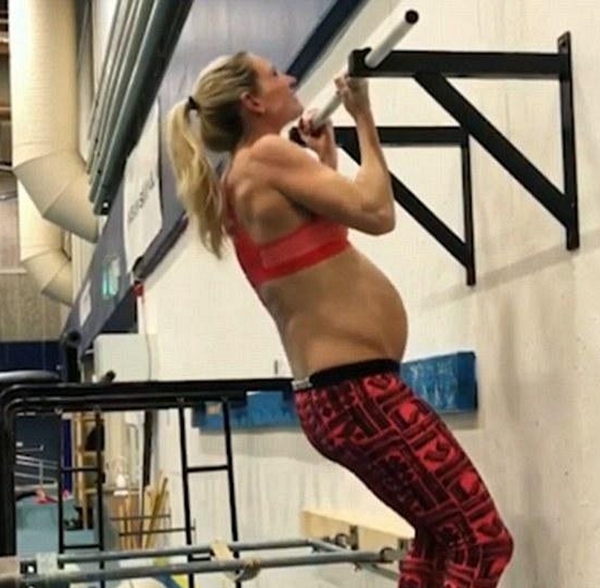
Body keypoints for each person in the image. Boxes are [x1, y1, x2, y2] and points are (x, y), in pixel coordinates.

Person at [167, 51, 513, 588]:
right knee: (482, 542)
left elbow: (316, 247)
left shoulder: (239, 178)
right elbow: (377, 213)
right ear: (252, 102)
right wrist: (363, 119)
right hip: (358, 394)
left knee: (437, 538)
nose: (290, 78)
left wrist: (325, 162)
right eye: (275, 74)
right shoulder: (266, 155)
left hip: (336, 397)